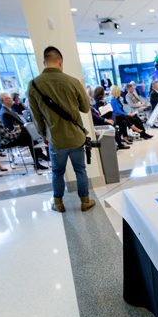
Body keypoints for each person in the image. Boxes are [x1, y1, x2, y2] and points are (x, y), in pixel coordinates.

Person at [27, 46, 95, 213]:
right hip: (76, 137)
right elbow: (86, 108)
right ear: (60, 62)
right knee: (80, 170)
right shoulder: (73, 81)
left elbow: (36, 116)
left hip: (55, 139)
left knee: (57, 172)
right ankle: (85, 201)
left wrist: (44, 135)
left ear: (44, 62)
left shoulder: (34, 85)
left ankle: (58, 203)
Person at [0, 100, 49, 170]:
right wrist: (17, 132)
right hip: (5, 142)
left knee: (28, 136)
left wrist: (14, 132)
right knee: (29, 137)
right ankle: (38, 160)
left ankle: (38, 160)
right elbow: (8, 136)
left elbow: (3, 133)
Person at [0, 92, 49, 168]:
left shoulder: (7, 110)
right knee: (30, 137)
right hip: (14, 137)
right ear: (4, 100)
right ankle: (37, 161)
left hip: (20, 134)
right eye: (8, 98)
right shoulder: (5, 113)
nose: (11, 99)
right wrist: (26, 128)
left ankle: (39, 156)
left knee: (31, 134)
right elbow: (12, 129)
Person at [90, 86, 130, 150]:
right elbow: (99, 114)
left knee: (123, 121)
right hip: (103, 119)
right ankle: (122, 140)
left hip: (106, 117)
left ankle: (122, 140)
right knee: (120, 117)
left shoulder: (102, 101)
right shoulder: (98, 102)